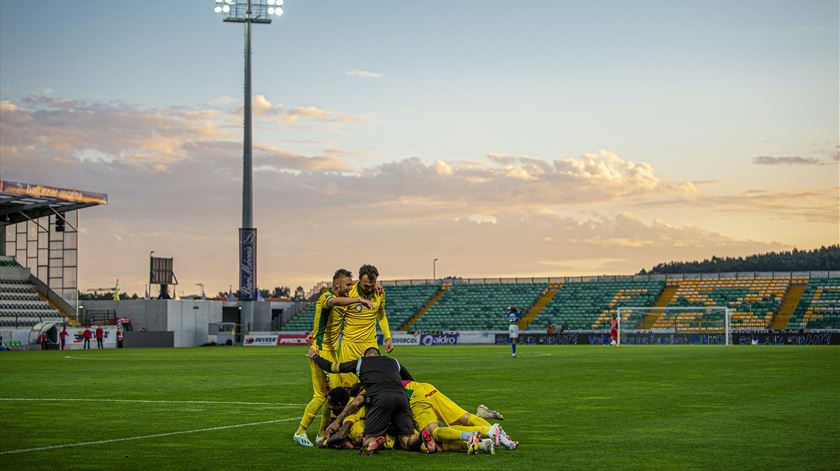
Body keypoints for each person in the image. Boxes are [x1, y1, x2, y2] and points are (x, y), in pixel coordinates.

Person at [293, 269, 375, 448]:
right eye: (347, 285)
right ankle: (300, 431)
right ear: (337, 285)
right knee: (320, 395)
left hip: (330, 351)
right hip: (320, 352)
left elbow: (322, 321)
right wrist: (359, 299)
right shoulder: (326, 297)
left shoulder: (341, 301)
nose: (350, 288)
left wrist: (378, 286)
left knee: (334, 395)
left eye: (351, 285)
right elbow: (333, 302)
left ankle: (323, 433)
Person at [307, 345, 419, 455]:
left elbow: (331, 367)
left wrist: (316, 357)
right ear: (379, 355)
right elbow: (411, 381)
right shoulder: (394, 361)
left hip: (380, 398)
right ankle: (422, 436)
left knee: (367, 440)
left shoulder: (360, 363)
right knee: (407, 440)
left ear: (365, 357)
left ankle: (372, 443)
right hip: (401, 397)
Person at [337, 264, 393, 387]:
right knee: (348, 385)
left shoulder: (380, 294)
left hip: (370, 345)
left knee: (373, 384)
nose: (369, 289)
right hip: (350, 345)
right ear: (359, 280)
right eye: (366, 285)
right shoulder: (349, 292)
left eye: (372, 286)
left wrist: (388, 337)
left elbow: (381, 315)